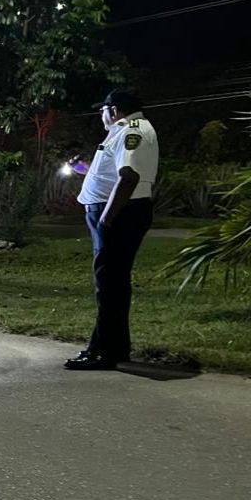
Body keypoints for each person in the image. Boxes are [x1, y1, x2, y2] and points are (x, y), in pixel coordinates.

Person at [66, 89, 159, 370]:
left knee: (109, 285)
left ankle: (103, 351)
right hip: (118, 211)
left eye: (103, 109)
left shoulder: (133, 131)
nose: (101, 115)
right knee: (112, 283)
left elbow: (129, 177)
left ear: (114, 110)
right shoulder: (126, 131)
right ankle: (114, 348)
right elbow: (112, 173)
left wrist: (107, 219)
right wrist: (84, 169)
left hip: (119, 214)